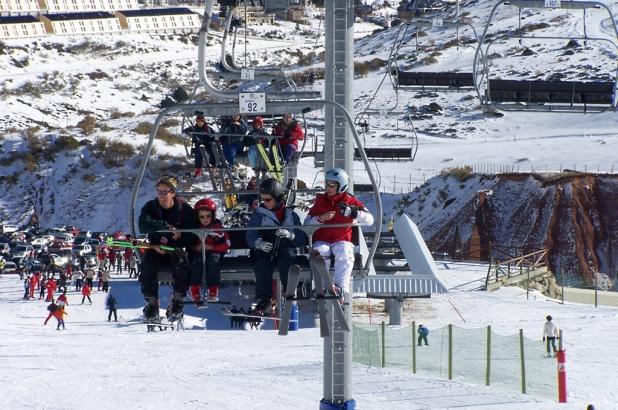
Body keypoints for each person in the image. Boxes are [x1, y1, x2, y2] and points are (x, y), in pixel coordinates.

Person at [304, 168, 374, 299]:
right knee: (320, 251)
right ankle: (321, 287)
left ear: (341, 186)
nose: (328, 188)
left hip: (341, 240)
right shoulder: (321, 201)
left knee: (344, 251)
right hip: (322, 239)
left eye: (332, 185)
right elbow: (306, 224)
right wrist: (320, 219)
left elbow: (370, 220)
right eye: (327, 184)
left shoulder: (350, 201)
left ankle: (340, 288)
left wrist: (354, 213)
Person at [138, 175, 198, 322]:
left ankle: (178, 300)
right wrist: (166, 227)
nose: (162, 196)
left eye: (165, 192)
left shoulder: (184, 209)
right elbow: (143, 225)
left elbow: (192, 234)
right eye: (159, 192)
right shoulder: (151, 207)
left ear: (173, 192)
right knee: (147, 265)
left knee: (182, 266)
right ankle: (151, 303)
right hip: (156, 247)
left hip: (175, 248)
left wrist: (176, 242)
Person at [245, 178, 307, 315]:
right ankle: (265, 299)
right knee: (262, 263)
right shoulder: (259, 215)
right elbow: (250, 234)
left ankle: (288, 290)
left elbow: (302, 238)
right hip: (267, 246)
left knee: (288, 258)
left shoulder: (291, 215)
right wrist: (258, 243)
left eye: (267, 200)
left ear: (277, 198)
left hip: (285, 246)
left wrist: (291, 235)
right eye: (263, 200)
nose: (264, 203)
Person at [190, 198, 230, 305]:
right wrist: (195, 247)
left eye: (208, 216)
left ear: (213, 216)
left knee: (213, 260)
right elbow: (188, 242)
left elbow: (227, 244)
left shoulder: (217, 228)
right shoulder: (195, 227)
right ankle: (194, 288)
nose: (205, 219)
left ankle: (213, 288)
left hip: (214, 252)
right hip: (199, 253)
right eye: (202, 217)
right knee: (196, 261)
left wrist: (211, 247)